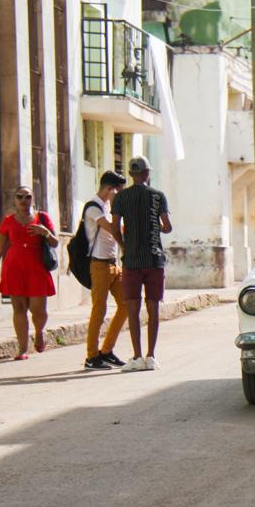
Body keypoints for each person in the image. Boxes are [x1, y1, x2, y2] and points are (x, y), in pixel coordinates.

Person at [111, 156, 172, 373]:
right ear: (147, 173)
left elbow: (115, 228)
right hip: (154, 258)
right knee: (153, 307)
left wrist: (124, 246)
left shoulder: (121, 198)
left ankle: (136, 355)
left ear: (131, 174)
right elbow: (167, 226)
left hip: (132, 260)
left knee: (132, 307)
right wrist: (158, 229)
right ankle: (151, 356)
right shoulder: (158, 196)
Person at [0, 186, 59, 360]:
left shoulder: (41, 218)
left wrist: (44, 232)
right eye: (20, 197)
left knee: (39, 310)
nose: (24, 200)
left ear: (32, 199)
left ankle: (39, 332)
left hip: (36, 268)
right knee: (19, 308)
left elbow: (55, 242)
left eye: (27, 196)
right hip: (14, 268)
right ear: (14, 199)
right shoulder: (8, 220)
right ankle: (22, 349)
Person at [83, 171, 129, 370]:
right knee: (99, 311)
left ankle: (107, 350)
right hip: (99, 264)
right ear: (110, 189)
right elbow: (113, 229)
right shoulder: (93, 207)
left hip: (113, 264)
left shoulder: (108, 206)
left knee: (126, 304)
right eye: (118, 191)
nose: (118, 195)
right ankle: (92, 356)